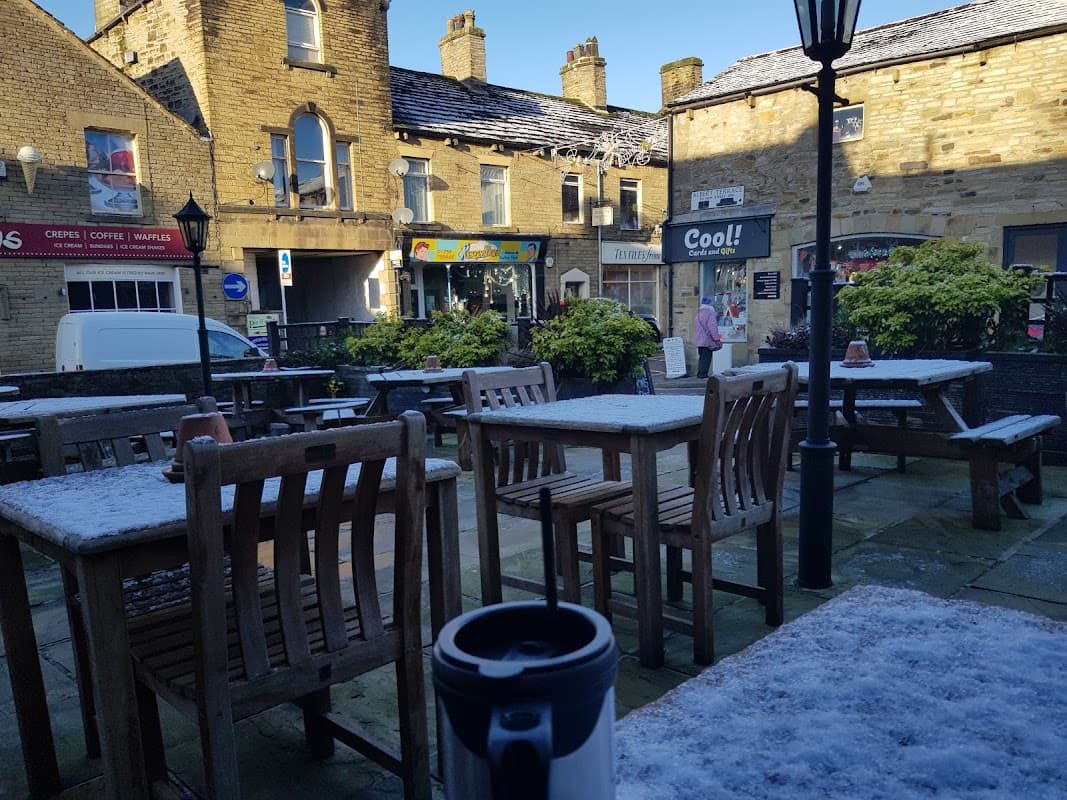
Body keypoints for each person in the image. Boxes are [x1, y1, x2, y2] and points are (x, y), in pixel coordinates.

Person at [694, 296, 722, 379]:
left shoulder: (699, 314)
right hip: (707, 341)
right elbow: (712, 327)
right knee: (706, 358)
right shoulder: (710, 314)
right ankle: (703, 374)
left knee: (701, 357)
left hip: (699, 340)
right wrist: (717, 339)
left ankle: (699, 373)